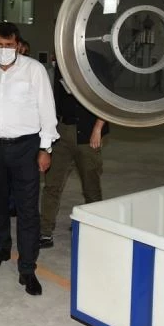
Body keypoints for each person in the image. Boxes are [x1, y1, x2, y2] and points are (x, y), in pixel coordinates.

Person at [0, 22, 58, 296]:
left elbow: (47, 110)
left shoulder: (34, 70)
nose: (3, 50)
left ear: (18, 45)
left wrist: (45, 148)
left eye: (8, 45)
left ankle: (27, 267)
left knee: (27, 209)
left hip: (26, 147)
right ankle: (1, 248)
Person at [39, 55, 109, 248]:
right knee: (52, 184)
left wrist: (98, 128)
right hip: (61, 132)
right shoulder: (62, 62)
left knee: (91, 186)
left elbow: (107, 100)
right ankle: (45, 231)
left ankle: (94, 228)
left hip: (88, 134)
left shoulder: (98, 60)